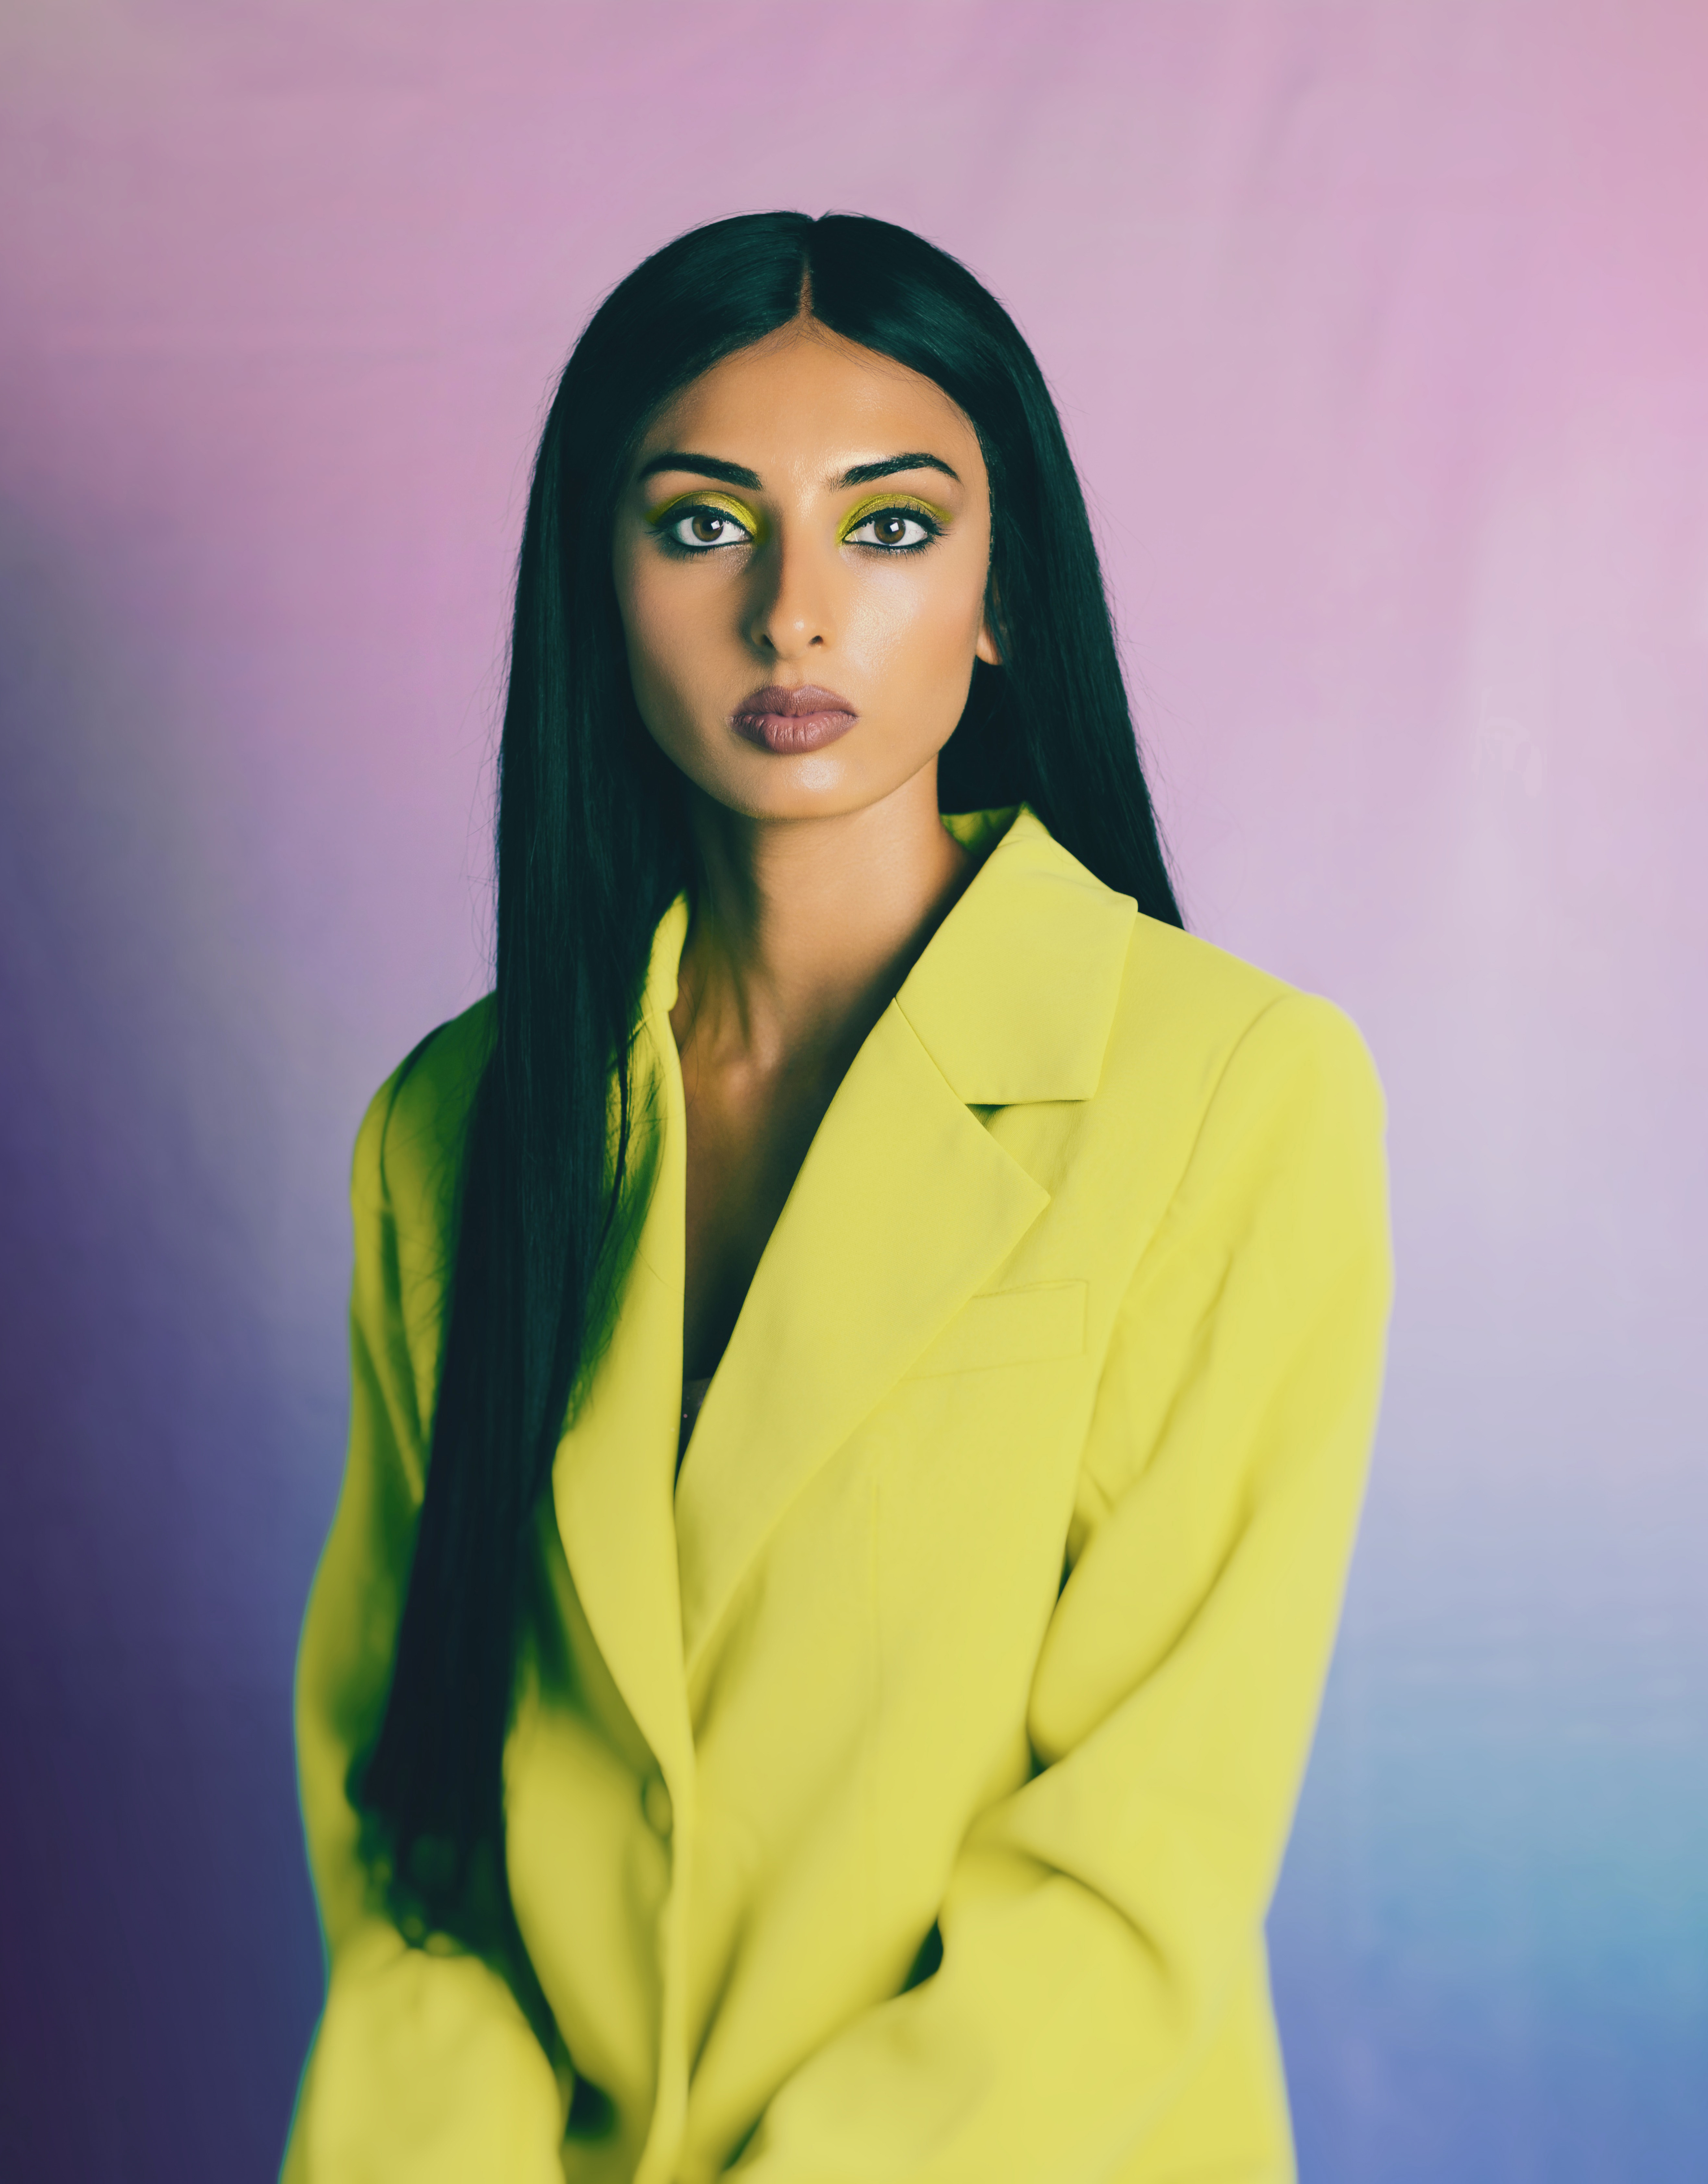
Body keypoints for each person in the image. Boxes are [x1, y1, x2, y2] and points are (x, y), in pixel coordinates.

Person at [281, 211, 1392, 2184]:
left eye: (889, 529)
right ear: (598, 587)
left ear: (1000, 598)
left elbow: (1137, 1861)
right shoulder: (449, 1129)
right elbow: (417, 1818)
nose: (795, 612)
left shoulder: (1236, 1093)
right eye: (704, 523)